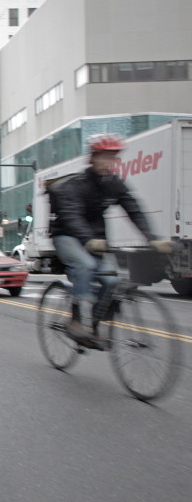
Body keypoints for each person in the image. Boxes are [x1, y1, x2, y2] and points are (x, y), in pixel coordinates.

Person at [48, 133, 172, 347]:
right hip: (66, 235)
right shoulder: (76, 185)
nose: (108, 163)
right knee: (85, 265)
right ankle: (75, 321)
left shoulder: (114, 184)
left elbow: (134, 210)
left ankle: (95, 328)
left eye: (113, 158)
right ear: (92, 158)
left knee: (111, 280)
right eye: (103, 157)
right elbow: (71, 216)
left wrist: (152, 239)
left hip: (95, 239)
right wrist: (89, 240)